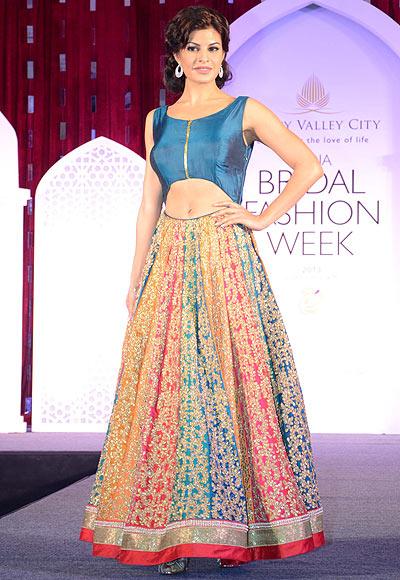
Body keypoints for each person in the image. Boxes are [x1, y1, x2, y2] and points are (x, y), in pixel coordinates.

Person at [79, 4, 326, 575]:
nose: (205, 58)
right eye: (193, 48)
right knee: (171, 393)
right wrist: (135, 274)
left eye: (214, 48)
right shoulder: (156, 120)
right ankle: (172, 533)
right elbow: (148, 205)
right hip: (169, 257)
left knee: (226, 383)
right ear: (176, 56)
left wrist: (262, 217)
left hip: (223, 255)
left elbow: (308, 165)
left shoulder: (246, 111)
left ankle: (233, 528)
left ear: (224, 56)